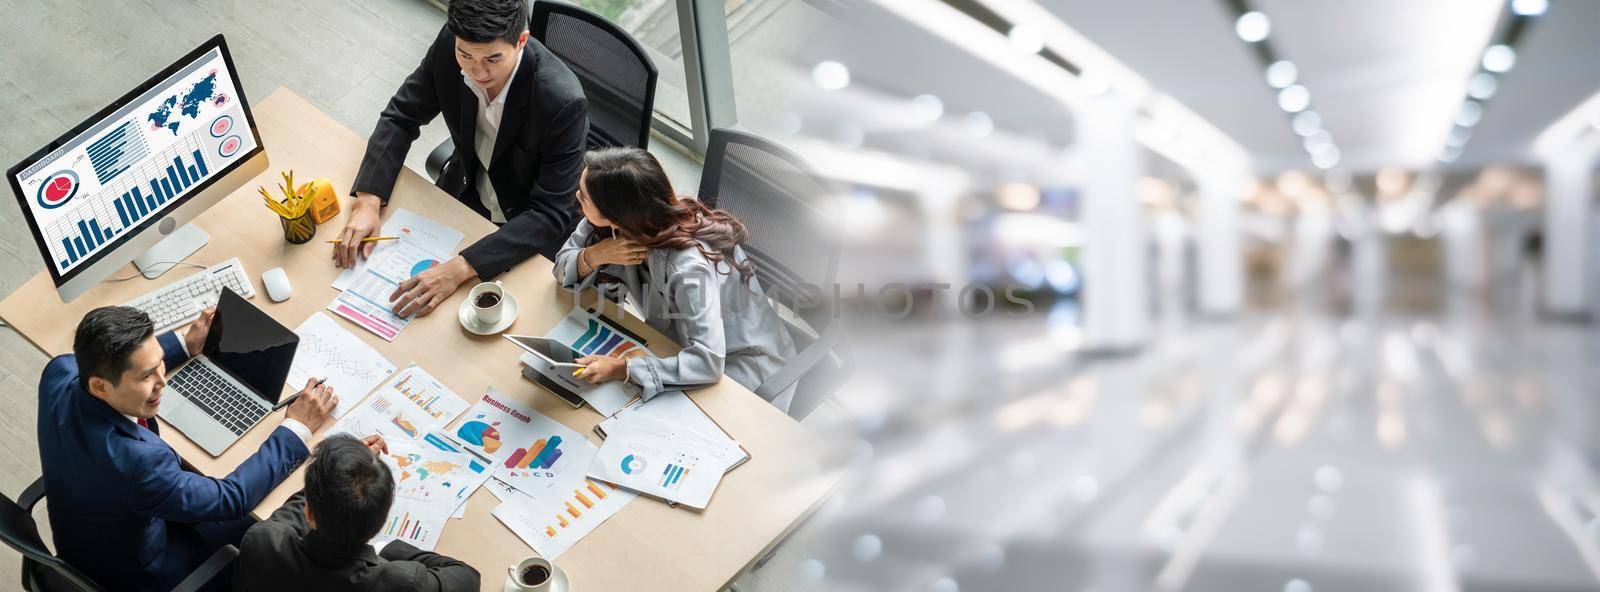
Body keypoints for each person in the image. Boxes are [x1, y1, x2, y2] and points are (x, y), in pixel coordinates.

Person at [37, 306, 336, 591]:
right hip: (142, 574)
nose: (161, 382)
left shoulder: (59, 372)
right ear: (101, 386)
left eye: (160, 363)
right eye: (145, 376)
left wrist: (183, 343)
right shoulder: (140, 465)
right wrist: (296, 428)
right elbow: (231, 499)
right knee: (272, 522)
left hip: (85, 535)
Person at [341, 0, 588, 318]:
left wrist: (459, 268)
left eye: (493, 59)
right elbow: (402, 115)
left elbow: (550, 213)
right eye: (466, 55)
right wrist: (369, 200)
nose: (477, 70)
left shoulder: (562, 102)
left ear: (521, 41)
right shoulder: (450, 45)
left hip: (525, 225)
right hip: (468, 189)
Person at [553, 147, 802, 411]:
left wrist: (623, 368)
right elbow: (561, 267)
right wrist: (593, 255)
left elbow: (708, 361)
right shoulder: (618, 222)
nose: (577, 197)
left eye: (584, 198)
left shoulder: (689, 267)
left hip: (742, 366)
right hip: (676, 345)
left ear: (614, 214)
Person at [236, 434, 480, 591]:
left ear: (309, 509)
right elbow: (467, 577)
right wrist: (388, 549)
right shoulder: (401, 584)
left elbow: (294, 512)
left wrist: (335, 473)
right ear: (384, 518)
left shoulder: (264, 540)